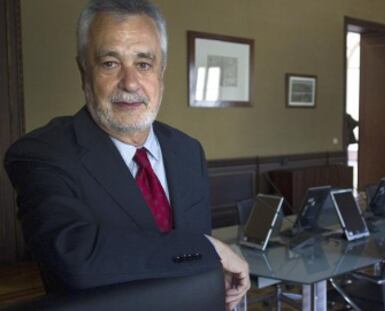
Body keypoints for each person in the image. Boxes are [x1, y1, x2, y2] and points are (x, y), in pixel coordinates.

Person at [4, 0, 249, 309]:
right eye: (110, 63)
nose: (130, 82)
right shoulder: (41, 154)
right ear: (84, 71)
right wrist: (205, 248)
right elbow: (74, 259)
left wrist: (215, 278)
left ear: (161, 71)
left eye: (144, 63)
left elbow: (195, 262)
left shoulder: (188, 150)